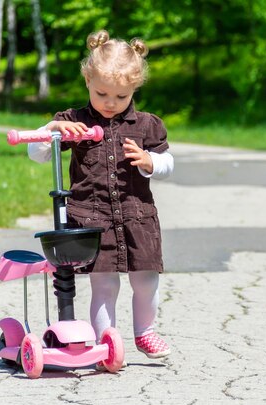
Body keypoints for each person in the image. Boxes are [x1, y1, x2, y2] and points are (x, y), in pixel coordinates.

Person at [28, 30, 174, 365]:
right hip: (93, 220)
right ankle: (105, 342)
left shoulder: (147, 125)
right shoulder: (73, 122)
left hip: (137, 217)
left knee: (146, 281)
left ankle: (145, 331)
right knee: (104, 285)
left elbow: (169, 162)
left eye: (121, 96)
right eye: (101, 93)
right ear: (88, 82)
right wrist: (51, 130)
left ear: (134, 89)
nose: (110, 102)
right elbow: (38, 154)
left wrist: (152, 162)